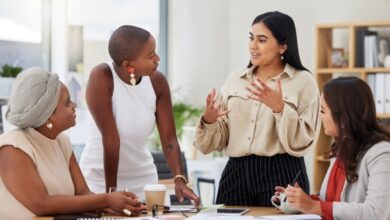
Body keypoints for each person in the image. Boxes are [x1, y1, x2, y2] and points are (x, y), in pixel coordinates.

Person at [193, 11, 321, 206]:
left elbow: (304, 140)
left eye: (262, 40)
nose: (253, 45)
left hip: (282, 171)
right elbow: (213, 144)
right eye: (251, 38)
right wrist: (209, 120)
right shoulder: (235, 80)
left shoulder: (303, 81)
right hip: (235, 172)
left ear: (282, 46)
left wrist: (280, 108)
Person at [0, 67, 145, 219]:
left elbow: (83, 194)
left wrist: (113, 207)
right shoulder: (12, 148)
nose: (74, 105)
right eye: (67, 102)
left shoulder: (62, 142)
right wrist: (107, 200)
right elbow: (42, 204)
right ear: (48, 116)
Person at [79, 25, 199, 205]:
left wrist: (179, 180)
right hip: (99, 182)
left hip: (144, 182)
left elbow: (169, 140)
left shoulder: (157, 82)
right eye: (151, 56)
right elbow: (111, 139)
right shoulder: (102, 77)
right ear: (129, 65)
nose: (157, 59)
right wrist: (110, 194)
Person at [280, 76, 390, 219]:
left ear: (343, 117)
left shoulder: (382, 153)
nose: (320, 116)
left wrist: (313, 206)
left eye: (323, 111)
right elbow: (334, 202)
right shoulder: (343, 148)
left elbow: (376, 213)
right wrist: (301, 201)